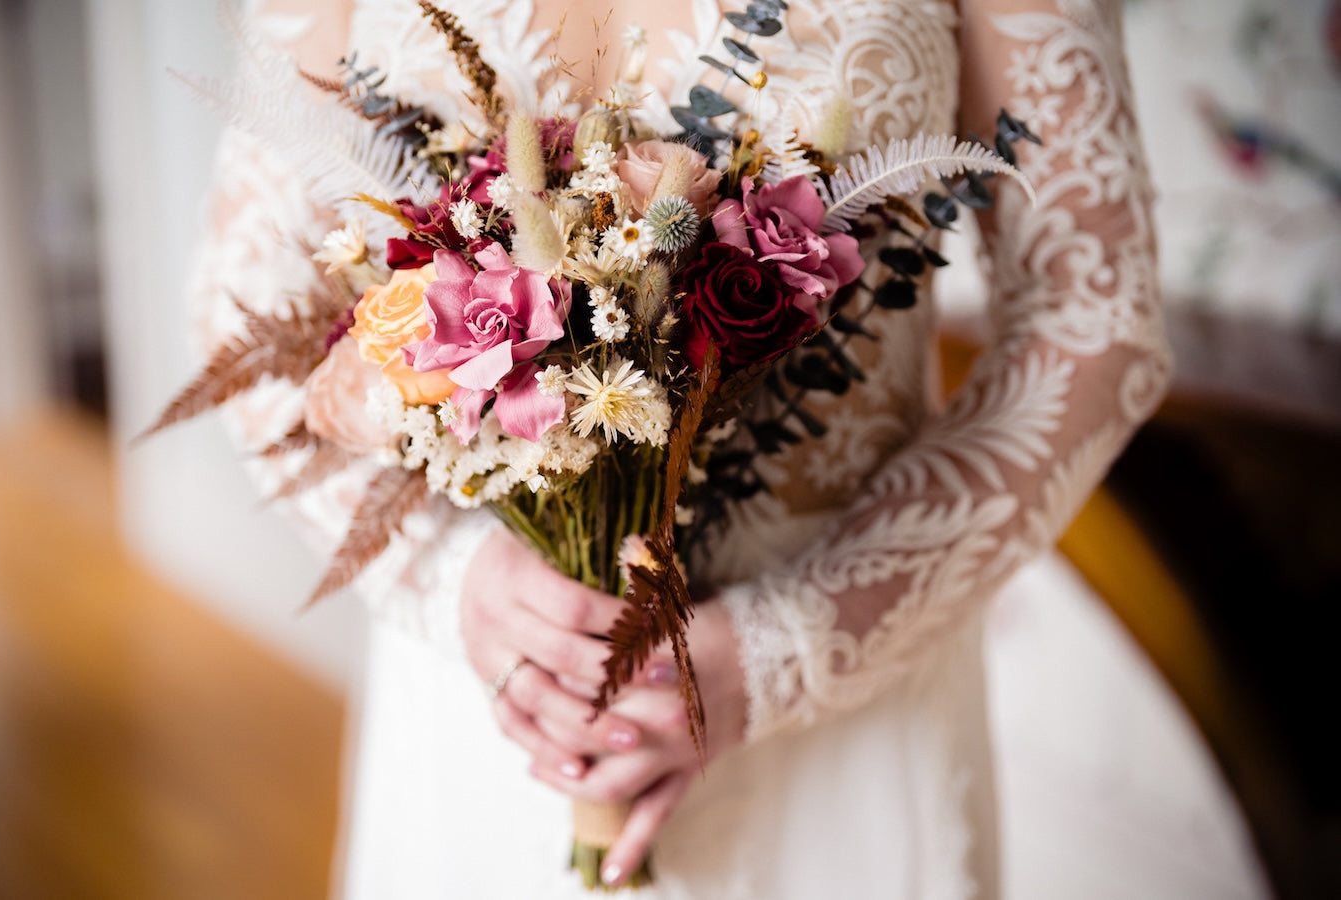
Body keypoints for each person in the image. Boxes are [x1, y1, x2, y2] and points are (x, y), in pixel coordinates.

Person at [191, 0, 1170, 896]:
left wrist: (789, 647)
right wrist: (450, 584)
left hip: (841, 718)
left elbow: (1094, 319)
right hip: (502, 700)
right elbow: (244, 297)